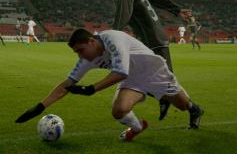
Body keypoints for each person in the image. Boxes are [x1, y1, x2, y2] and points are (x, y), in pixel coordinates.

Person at [15, 29, 204, 142]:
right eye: (76, 53)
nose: (80, 56)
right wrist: (40, 107)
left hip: (153, 71)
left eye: (80, 50)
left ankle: (194, 109)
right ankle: (137, 128)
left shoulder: (112, 39)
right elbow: (67, 85)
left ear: (92, 41)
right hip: (133, 79)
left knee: (182, 105)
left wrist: (91, 89)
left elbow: (121, 72)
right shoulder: (86, 59)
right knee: (119, 110)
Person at [91, 0, 193, 119]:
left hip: (152, 40)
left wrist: (113, 36)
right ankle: (166, 100)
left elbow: (123, 12)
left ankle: (192, 109)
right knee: (154, 80)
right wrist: (177, 10)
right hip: (151, 40)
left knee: (167, 84)